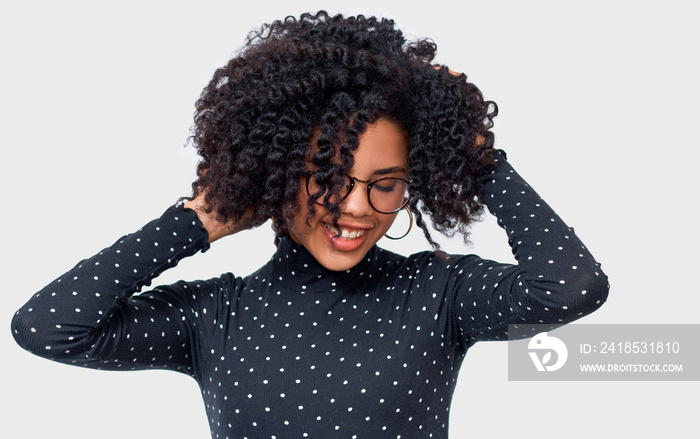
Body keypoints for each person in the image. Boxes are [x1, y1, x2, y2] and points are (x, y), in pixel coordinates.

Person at [11, 10, 608, 438]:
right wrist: (200, 220)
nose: (355, 208)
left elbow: (572, 287)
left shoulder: (436, 294)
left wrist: (480, 159)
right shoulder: (216, 314)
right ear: (275, 172)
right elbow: (48, 328)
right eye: (327, 177)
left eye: (386, 184)